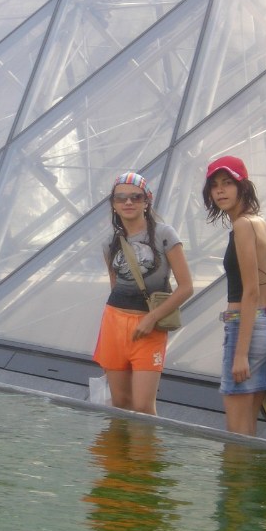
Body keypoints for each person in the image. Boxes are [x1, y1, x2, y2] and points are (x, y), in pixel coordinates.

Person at [93, 172, 193, 415]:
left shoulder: (164, 234)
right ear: (113, 204)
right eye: (121, 198)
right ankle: (118, 443)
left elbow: (186, 287)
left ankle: (143, 444)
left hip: (149, 326)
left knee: (143, 407)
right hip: (114, 323)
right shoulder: (110, 242)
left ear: (147, 201)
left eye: (135, 197)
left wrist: (151, 318)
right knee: (119, 403)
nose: (128, 202)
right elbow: (115, 285)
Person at [203, 155, 266, 435]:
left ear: (243, 186)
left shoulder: (242, 226)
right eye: (214, 185)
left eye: (227, 183)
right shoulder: (261, 223)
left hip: (246, 329)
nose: (220, 191)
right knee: (248, 431)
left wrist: (241, 353)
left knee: (236, 433)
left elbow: (251, 290)